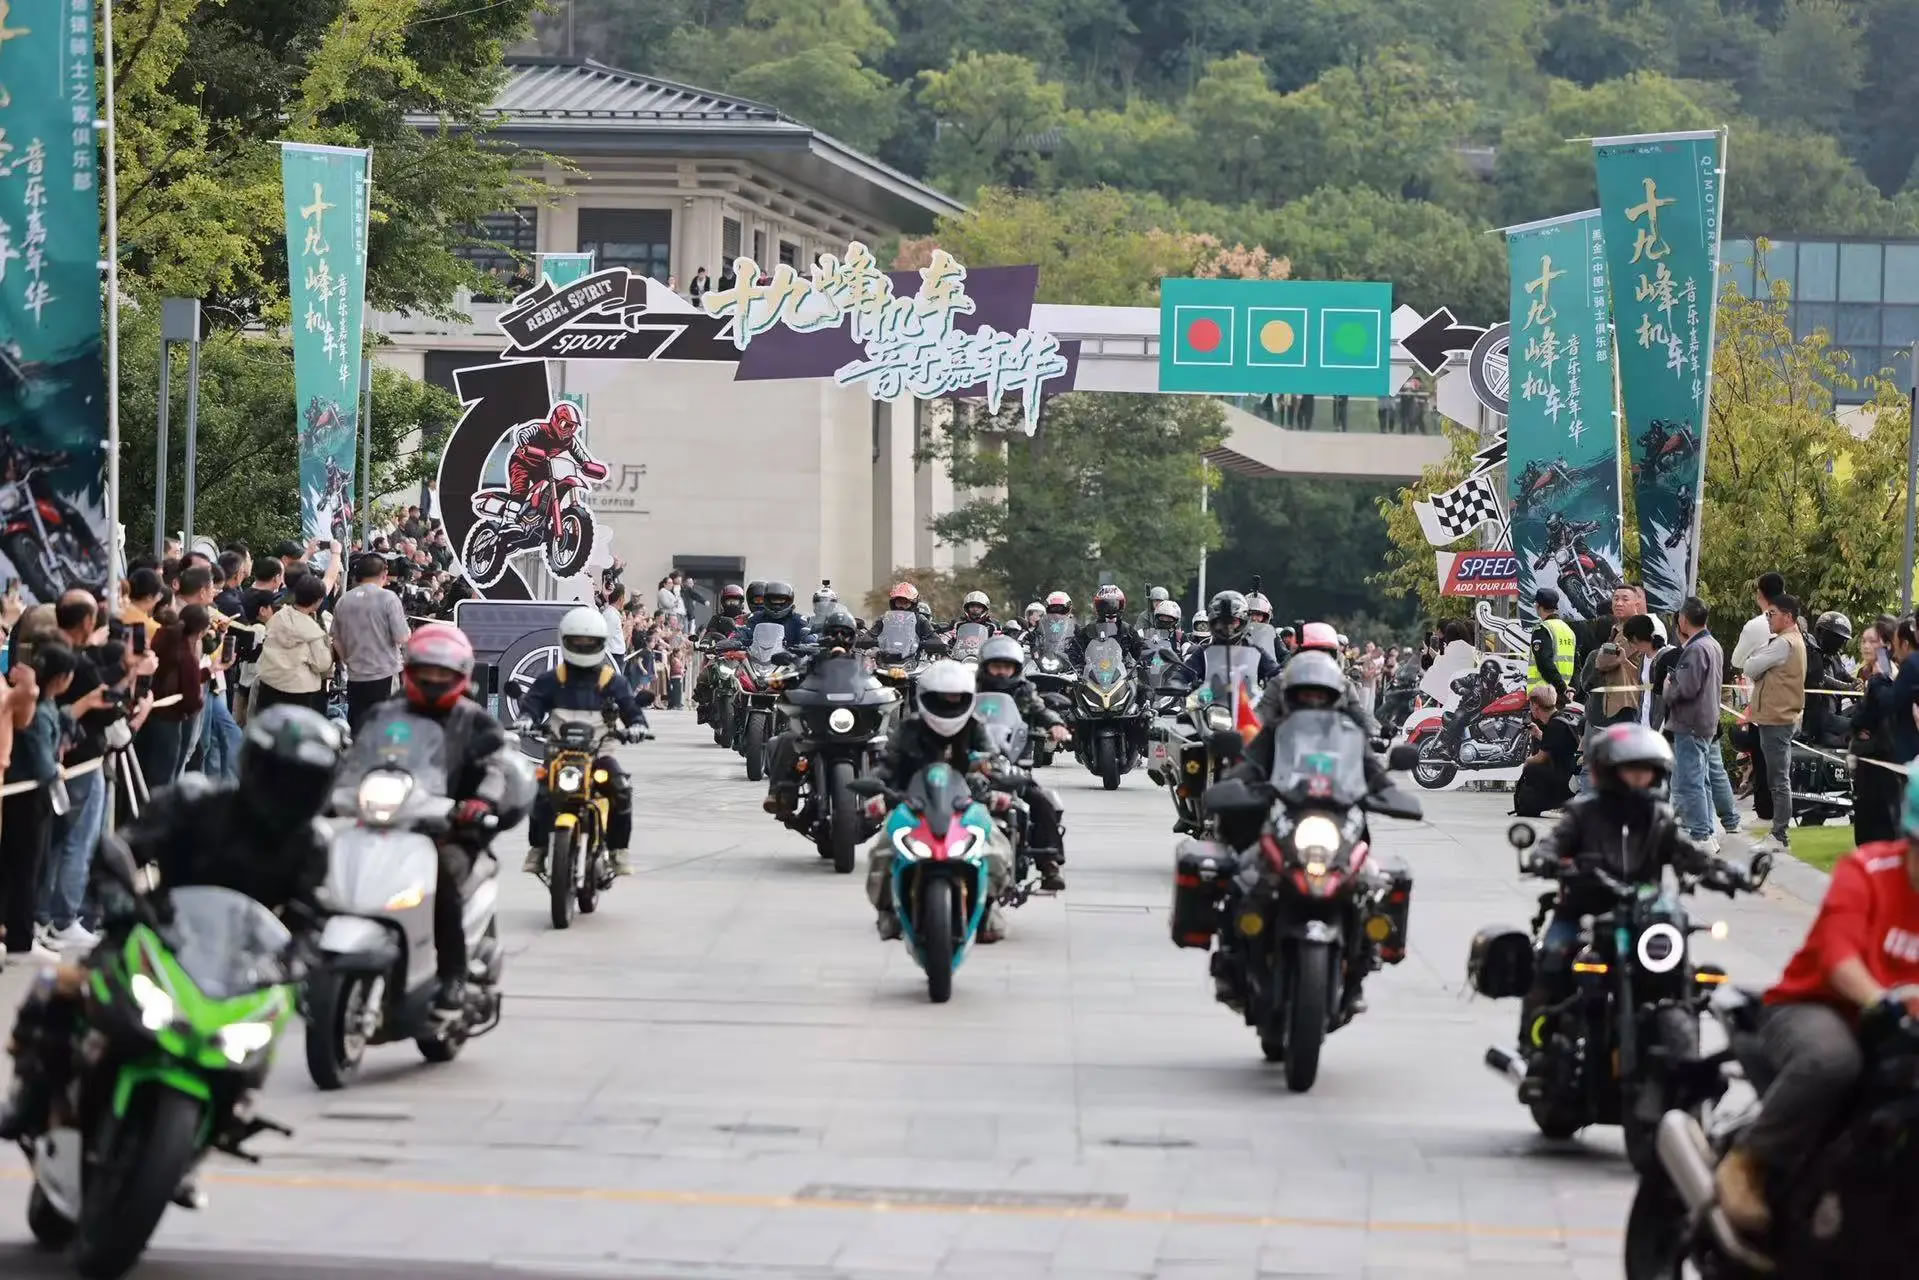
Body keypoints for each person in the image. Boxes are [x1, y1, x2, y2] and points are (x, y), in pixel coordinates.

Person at [0, 704, 342, 1141]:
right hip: (158, 933)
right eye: (282, 779)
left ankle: (231, 1102)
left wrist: (293, 962)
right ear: (255, 768)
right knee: (59, 987)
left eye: (303, 784)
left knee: (264, 1025)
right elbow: (124, 848)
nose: (288, 793)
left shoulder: (311, 846)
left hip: (239, 965)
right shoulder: (196, 804)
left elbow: (313, 918)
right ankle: (29, 1099)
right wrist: (119, 898)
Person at [1713, 767, 1919, 1236]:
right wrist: (1881, 1003)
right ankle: (1748, 1162)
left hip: (1903, 1029)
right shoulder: (1865, 872)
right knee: (1833, 1061)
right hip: (1818, 1006)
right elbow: (1838, 957)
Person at [1516, 724, 1722, 1058]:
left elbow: (1688, 853)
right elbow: (1554, 842)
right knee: (1550, 959)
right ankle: (1533, 1047)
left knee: (1683, 971)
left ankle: (1685, 1058)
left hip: (1643, 915)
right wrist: (1546, 858)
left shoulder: (1658, 817)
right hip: (1583, 910)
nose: (1639, 778)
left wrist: (1726, 872)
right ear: (1609, 771)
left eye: (1646, 770)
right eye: (1631, 770)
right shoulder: (1582, 813)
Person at [360, 625, 527, 1014]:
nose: (434, 679)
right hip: (387, 820)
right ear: (411, 670)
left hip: (449, 827)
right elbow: (357, 757)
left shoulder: (476, 721)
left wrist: (481, 802)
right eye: (426, 671)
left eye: (442, 672)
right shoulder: (385, 713)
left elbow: (495, 768)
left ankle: (453, 974)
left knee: (442, 878)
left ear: (460, 674)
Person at [861, 660, 1013, 942]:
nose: (949, 703)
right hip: (913, 805)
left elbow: (994, 761)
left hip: (967, 805)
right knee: (882, 853)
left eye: (956, 698)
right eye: (942, 697)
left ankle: (988, 908)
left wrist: (995, 775)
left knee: (997, 850)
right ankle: (888, 912)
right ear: (926, 697)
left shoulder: (974, 726)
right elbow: (888, 764)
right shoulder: (909, 728)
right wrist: (878, 788)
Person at [516, 608, 649, 878]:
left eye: (590, 642)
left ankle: (618, 851)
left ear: (601, 643)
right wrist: (527, 719)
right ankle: (538, 849)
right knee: (540, 790)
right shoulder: (552, 679)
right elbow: (533, 704)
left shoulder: (613, 682)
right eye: (577, 642)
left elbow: (631, 709)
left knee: (621, 789)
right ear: (564, 640)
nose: (584, 646)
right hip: (558, 753)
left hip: (599, 753)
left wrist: (637, 726)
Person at [975, 634, 1070, 890]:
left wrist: (1055, 724)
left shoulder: (1023, 691)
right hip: (975, 763)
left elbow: (1040, 710)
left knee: (1042, 801)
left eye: (1007, 667)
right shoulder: (971, 690)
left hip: (1012, 763)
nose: (1002, 672)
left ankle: (1049, 864)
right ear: (985, 667)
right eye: (996, 666)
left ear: (1016, 669)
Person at [762, 608, 864, 826]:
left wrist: (890, 679)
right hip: (819, 723)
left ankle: (890, 793)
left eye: (845, 633)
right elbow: (798, 675)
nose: (839, 638)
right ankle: (780, 794)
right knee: (784, 740)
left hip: (853, 722)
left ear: (853, 637)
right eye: (834, 633)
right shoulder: (814, 661)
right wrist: (784, 680)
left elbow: (874, 681)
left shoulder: (862, 663)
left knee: (886, 740)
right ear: (825, 636)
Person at [1, 648, 68, 968]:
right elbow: (43, 763)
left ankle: (19, 934)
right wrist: (25, 693)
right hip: (23, 793)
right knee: (23, 870)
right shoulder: (35, 705)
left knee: (24, 868)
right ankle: (19, 937)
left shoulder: (45, 704)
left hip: (21, 790)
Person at [1664, 597, 1742, 849]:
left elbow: (1684, 689)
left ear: (1683, 620)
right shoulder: (1713, 644)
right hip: (1705, 721)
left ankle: (1700, 835)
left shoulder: (1696, 649)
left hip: (1691, 723)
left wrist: (1668, 686)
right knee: (1702, 780)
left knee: (1691, 782)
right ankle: (1706, 831)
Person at [1744, 593, 1807, 856]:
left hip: (1777, 719)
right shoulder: (1793, 640)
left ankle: (1780, 834)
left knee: (1778, 780)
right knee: (1778, 778)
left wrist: (1757, 661)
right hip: (1780, 717)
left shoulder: (1784, 643)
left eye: (1772, 614)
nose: (1768, 619)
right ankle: (1779, 832)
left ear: (1788, 617)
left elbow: (1750, 667)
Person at [331, 552, 411, 733]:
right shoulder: (389, 598)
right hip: (384, 673)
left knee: (358, 725)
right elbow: (401, 637)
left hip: (355, 675)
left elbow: (336, 639)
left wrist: (347, 661)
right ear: (384, 573)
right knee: (385, 726)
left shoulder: (344, 600)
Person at [137, 603, 210, 787]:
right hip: (168, 722)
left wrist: (208, 672)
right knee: (162, 779)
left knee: (142, 775)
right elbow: (192, 700)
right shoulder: (186, 655)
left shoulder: (162, 637)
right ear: (201, 632)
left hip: (146, 715)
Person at [506, 402, 608, 529]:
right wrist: (526, 445)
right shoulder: (541, 428)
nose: (568, 430)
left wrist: (587, 465)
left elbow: (580, 454)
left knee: (549, 491)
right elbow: (523, 433)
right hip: (523, 462)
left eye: (573, 427)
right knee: (519, 491)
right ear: (556, 421)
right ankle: (509, 522)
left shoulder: (569, 440)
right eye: (565, 425)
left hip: (543, 466)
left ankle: (538, 520)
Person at [1852, 618, 1903, 844]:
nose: (1866, 646)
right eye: (1863, 641)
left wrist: (1859, 725)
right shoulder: (1872, 674)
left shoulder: (1885, 675)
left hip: (1881, 756)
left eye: (1872, 641)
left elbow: (1879, 712)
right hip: (1869, 755)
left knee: (1878, 823)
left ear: (1887, 645)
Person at [253, 574, 332, 715]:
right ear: (318, 601)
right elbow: (322, 664)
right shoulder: (313, 631)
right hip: (298, 691)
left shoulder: (278, 617)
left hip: (269, 683)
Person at [1513, 684, 1580, 818]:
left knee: (1532, 768)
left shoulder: (1554, 725)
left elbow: (1541, 758)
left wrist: (1527, 762)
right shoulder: (1561, 719)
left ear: (1535, 706)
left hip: (1564, 779)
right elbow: (1557, 743)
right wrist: (1539, 734)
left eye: (1530, 704)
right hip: (1571, 774)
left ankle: (1536, 804)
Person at [1067, 585, 1143, 666]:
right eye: (1105, 606)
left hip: (1122, 671)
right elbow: (1075, 650)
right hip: (1092, 672)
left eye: (1114, 606)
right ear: (1098, 607)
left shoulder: (1126, 629)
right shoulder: (1089, 629)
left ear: (1121, 605)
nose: (1110, 609)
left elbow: (1140, 650)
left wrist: (1144, 660)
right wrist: (1074, 664)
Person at [726, 578, 811, 650]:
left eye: (781, 600)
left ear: (789, 600)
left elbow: (808, 637)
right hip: (757, 660)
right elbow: (744, 632)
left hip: (791, 662)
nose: (777, 604)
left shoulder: (799, 620)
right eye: (773, 600)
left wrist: (809, 643)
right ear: (766, 599)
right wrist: (734, 640)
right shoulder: (755, 617)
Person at [1528, 587, 1576, 708]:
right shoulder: (1568, 630)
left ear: (1538, 606)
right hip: (1561, 694)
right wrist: (1566, 688)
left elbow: (1544, 662)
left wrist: (1561, 687)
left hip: (1543, 694)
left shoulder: (1542, 629)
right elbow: (1576, 663)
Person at [1731, 571, 1787, 674]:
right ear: (1784, 593)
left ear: (1759, 595)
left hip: (1765, 683)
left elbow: (1736, 661)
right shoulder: (1793, 623)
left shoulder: (1755, 625)